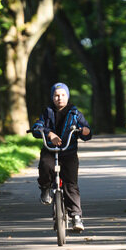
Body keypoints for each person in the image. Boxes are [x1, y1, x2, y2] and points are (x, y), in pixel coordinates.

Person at [32, 82, 92, 233]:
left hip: (68, 152)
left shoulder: (75, 113)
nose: (60, 98)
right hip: (50, 151)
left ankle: (76, 217)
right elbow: (37, 128)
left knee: (71, 184)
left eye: (63, 95)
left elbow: (86, 132)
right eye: (56, 95)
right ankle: (45, 188)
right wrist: (48, 133)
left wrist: (85, 131)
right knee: (45, 165)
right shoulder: (47, 112)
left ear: (67, 96)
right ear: (52, 97)